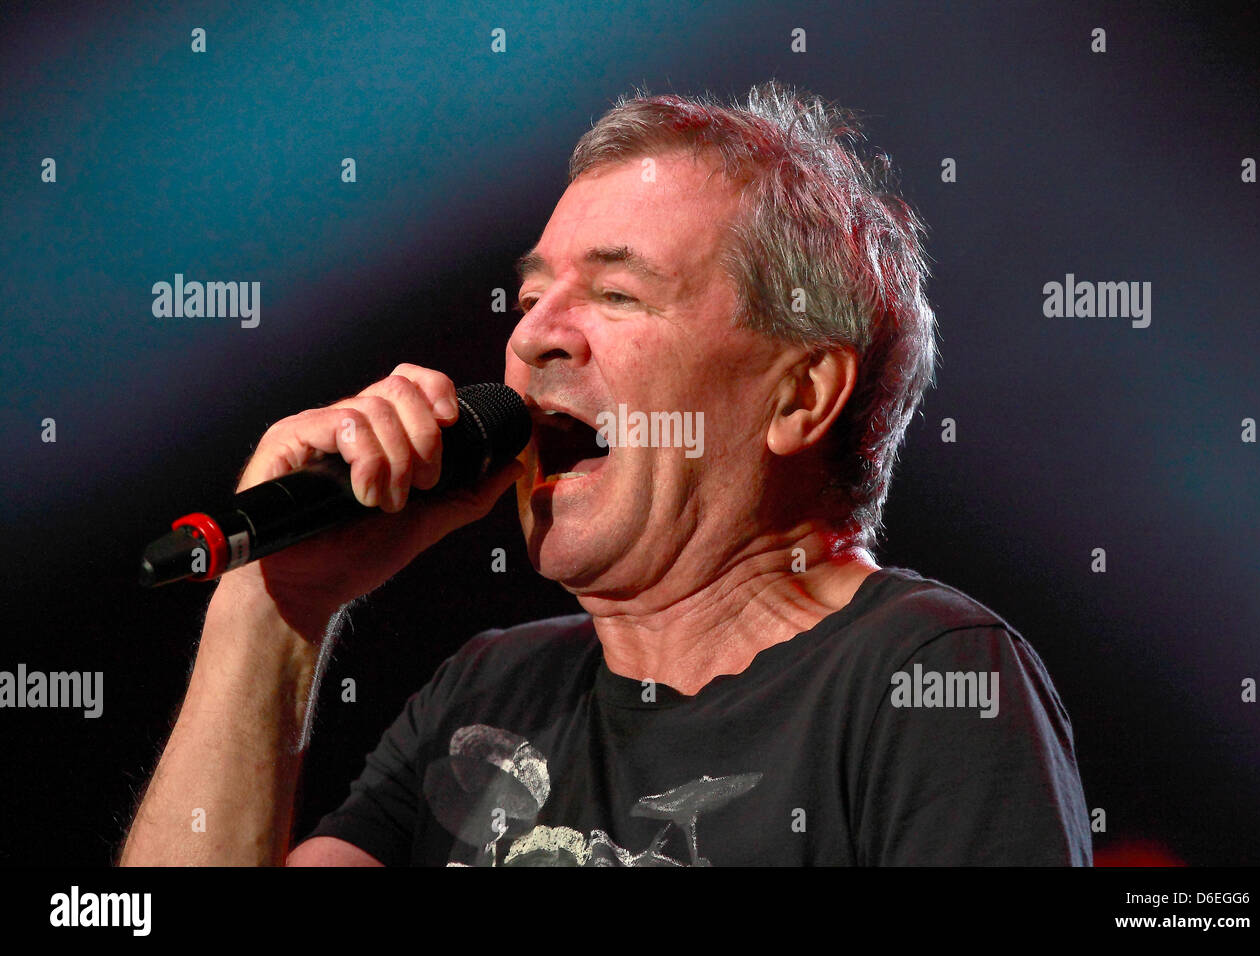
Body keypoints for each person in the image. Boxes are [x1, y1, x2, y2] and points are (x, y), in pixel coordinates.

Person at [120, 81, 1091, 867]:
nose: (533, 334)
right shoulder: (489, 692)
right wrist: (275, 611)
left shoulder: (925, 677)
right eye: (533, 293)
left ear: (800, 396)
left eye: (618, 292)